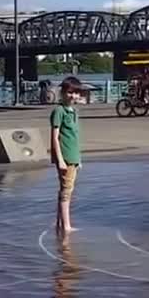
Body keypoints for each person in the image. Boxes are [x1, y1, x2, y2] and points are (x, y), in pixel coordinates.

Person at [50, 77, 84, 237]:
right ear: (63, 93)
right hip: (65, 157)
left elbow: (75, 137)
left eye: (76, 93)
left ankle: (60, 223)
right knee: (66, 192)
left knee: (66, 190)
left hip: (73, 157)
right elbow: (55, 137)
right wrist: (60, 159)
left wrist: (79, 159)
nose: (73, 96)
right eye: (70, 92)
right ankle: (66, 226)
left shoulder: (74, 112)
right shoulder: (59, 111)